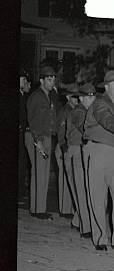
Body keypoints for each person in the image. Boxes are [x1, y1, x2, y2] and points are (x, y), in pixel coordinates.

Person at [83, 70, 114, 251]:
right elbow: (107, 120)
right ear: (106, 87)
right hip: (101, 148)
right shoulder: (100, 103)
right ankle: (100, 238)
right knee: (98, 196)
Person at [25, 66, 59, 219]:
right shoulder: (37, 96)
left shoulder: (49, 95)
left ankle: (37, 208)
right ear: (42, 80)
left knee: (41, 172)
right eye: (49, 79)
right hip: (37, 136)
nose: (52, 82)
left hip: (45, 136)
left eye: (53, 79)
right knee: (40, 172)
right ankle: (39, 210)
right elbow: (33, 120)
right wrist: (38, 141)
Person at [64, 83, 97, 237]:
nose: (92, 99)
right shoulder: (78, 111)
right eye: (89, 97)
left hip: (86, 151)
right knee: (80, 190)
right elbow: (86, 129)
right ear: (82, 98)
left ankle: (78, 221)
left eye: (93, 96)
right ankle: (86, 227)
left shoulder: (89, 111)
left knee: (85, 189)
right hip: (76, 150)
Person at [56, 88, 80, 219]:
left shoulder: (74, 110)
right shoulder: (66, 110)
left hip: (70, 146)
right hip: (64, 147)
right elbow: (60, 130)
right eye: (74, 97)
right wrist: (63, 146)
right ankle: (65, 210)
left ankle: (69, 209)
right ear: (68, 97)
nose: (77, 99)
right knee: (65, 179)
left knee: (71, 178)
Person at [19, 69, 31, 205]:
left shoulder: (23, 96)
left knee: (22, 163)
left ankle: (20, 192)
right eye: (23, 80)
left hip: (22, 133)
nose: (26, 82)